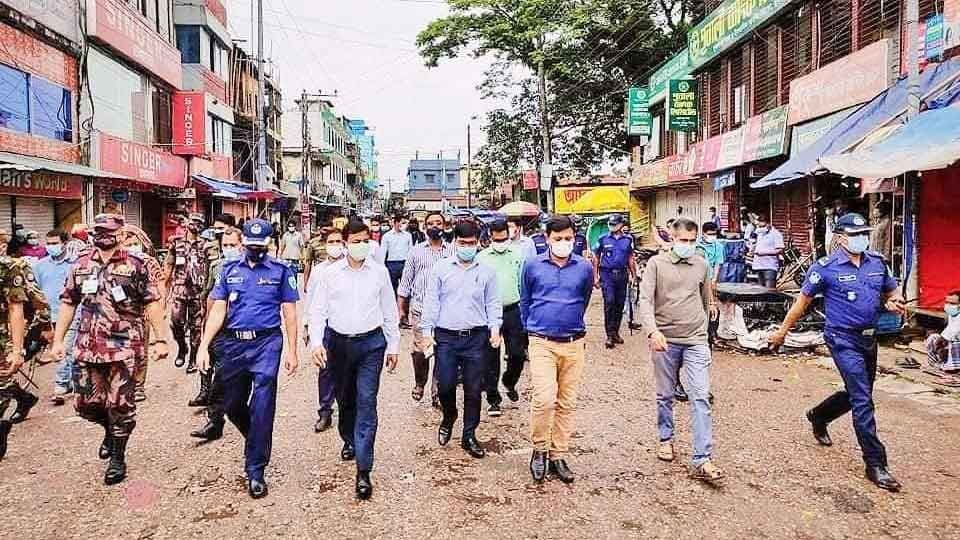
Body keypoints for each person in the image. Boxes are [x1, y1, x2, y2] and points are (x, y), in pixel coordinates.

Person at [769, 213, 906, 492]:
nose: (862, 239)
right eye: (856, 235)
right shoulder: (825, 268)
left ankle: (819, 416)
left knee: (858, 391)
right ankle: (876, 463)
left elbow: (892, 293)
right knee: (862, 398)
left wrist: (895, 302)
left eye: (864, 233)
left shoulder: (878, 264)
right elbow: (801, 303)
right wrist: (782, 331)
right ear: (841, 238)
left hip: (870, 338)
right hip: (841, 338)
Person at [51, 214, 169, 484]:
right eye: (98, 231)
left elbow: (152, 303)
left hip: (124, 348)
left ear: (121, 234)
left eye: (108, 231)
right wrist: (59, 340)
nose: (102, 236)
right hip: (87, 347)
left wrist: (161, 339)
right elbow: (69, 302)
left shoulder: (137, 265)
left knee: (121, 405)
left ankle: (118, 457)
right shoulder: (80, 264)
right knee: (85, 404)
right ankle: (109, 429)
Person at [196, 219, 300, 499]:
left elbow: (289, 312)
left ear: (270, 245)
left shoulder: (281, 271)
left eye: (260, 246)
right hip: (232, 344)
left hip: (267, 342)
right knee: (231, 404)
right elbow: (218, 309)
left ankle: (256, 469)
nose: (255, 250)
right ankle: (256, 438)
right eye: (250, 245)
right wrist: (204, 345)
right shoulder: (228, 270)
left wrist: (292, 350)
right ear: (243, 244)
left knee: (263, 403)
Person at [309, 219, 400, 500]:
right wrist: (316, 342)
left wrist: (393, 345)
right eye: (356, 240)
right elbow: (318, 310)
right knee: (346, 400)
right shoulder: (329, 274)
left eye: (365, 240)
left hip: (371, 345)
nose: (361, 245)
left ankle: (363, 469)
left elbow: (389, 309)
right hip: (339, 345)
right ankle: (348, 437)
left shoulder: (379, 273)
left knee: (366, 401)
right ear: (345, 242)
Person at [637, 218, 723, 484]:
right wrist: (652, 331)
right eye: (682, 240)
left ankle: (702, 457)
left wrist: (709, 321)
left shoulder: (701, 263)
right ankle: (666, 438)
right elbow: (645, 300)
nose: (687, 245)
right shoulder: (656, 264)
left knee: (700, 397)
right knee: (665, 395)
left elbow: (705, 296)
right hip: (665, 339)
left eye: (691, 241)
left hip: (696, 338)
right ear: (672, 239)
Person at [420, 220, 502, 459]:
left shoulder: (487, 271)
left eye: (472, 243)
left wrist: (494, 328)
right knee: (445, 384)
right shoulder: (441, 269)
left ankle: (469, 434)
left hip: (476, 337)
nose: (468, 247)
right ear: (455, 242)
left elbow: (493, 303)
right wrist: (427, 333)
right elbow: (432, 301)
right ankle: (449, 415)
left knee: (474, 388)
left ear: (479, 243)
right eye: (463, 243)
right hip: (446, 337)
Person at [521, 215, 593, 483]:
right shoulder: (532, 266)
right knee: (544, 398)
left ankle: (558, 454)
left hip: (574, 343)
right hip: (541, 341)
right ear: (546, 238)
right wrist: (532, 328)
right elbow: (525, 300)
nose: (564, 243)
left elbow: (583, 299)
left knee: (567, 401)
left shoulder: (584, 268)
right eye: (558, 238)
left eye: (568, 239)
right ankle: (539, 449)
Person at [190, 226, 243, 442]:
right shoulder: (217, 267)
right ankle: (215, 421)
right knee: (218, 376)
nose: (229, 249)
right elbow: (209, 297)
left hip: (242, 333)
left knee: (234, 381)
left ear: (243, 245)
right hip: (220, 330)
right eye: (226, 246)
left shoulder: (251, 267)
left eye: (233, 245)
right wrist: (205, 330)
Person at [397, 211, 454, 406]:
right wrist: (400, 309)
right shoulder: (416, 251)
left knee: (442, 351)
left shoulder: (452, 251)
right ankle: (420, 381)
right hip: (420, 310)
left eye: (439, 223)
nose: (435, 226)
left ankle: (437, 391)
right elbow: (405, 282)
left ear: (445, 226)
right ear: (425, 227)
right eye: (431, 223)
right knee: (421, 350)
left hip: (446, 310)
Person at [0, 249, 52, 460]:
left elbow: (17, 308)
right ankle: (25, 398)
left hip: (5, 338)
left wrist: (17, 349)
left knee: (2, 384)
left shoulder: (10, 267)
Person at [476, 219, 526, 417]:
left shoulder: (518, 254)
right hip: (489, 313)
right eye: (496, 239)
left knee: (518, 354)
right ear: (490, 238)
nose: (500, 242)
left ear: (509, 235)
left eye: (503, 238)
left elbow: (523, 282)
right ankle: (493, 398)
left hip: (513, 309)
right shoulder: (482, 258)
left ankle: (509, 381)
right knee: (491, 357)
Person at [305, 228, 346, 433]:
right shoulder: (319, 270)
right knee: (325, 369)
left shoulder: (353, 267)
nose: (335, 245)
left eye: (339, 241)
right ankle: (325, 411)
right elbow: (311, 299)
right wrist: (308, 326)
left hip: (348, 326)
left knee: (347, 370)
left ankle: (348, 411)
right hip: (326, 325)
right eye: (331, 241)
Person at [121, 225, 166, 402]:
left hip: (143, 313)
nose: (132, 247)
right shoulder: (115, 262)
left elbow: (159, 284)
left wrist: (158, 309)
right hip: (119, 314)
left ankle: (138, 386)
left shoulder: (148, 261)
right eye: (128, 243)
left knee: (140, 351)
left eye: (135, 243)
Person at [163, 212, 208, 373]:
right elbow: (169, 265)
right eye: (194, 221)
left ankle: (193, 359)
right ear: (187, 223)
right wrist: (164, 288)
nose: (196, 225)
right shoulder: (176, 243)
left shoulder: (206, 244)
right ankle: (182, 347)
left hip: (198, 292)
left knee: (196, 327)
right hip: (179, 289)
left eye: (200, 223)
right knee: (175, 322)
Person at [34, 230, 71, 398]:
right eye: (48, 243)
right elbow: (36, 291)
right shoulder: (40, 266)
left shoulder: (74, 264)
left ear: (64, 243)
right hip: (49, 315)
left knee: (66, 347)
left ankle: (61, 383)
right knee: (58, 349)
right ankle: (69, 381)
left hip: (71, 314)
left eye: (55, 243)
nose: (51, 247)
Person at [594, 214, 637, 349]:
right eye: (610, 224)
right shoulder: (602, 239)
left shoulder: (628, 240)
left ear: (621, 225)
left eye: (614, 224)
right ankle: (609, 335)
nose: (612, 226)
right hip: (607, 274)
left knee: (619, 304)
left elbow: (630, 258)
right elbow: (596, 257)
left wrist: (634, 275)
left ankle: (616, 332)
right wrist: (595, 276)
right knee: (610, 302)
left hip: (622, 274)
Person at [926, 290, 960, 372]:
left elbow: (954, 331)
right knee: (932, 338)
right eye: (947, 302)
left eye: (952, 303)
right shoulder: (952, 315)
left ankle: (953, 367)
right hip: (953, 340)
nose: (948, 305)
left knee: (952, 343)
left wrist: (942, 340)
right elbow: (949, 330)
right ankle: (936, 362)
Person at [382, 214, 413, 293]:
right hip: (392, 264)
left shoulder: (408, 235)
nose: (403, 225)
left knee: (406, 287)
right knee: (392, 287)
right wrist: (382, 267)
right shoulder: (387, 236)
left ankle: (404, 304)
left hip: (405, 263)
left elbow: (411, 251)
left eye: (404, 223)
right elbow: (383, 252)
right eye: (402, 223)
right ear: (396, 223)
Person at [751, 214, 784, 289]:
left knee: (769, 291)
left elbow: (780, 249)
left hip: (770, 266)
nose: (760, 228)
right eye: (759, 226)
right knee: (760, 291)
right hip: (758, 265)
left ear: (768, 223)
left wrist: (764, 253)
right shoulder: (759, 233)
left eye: (762, 226)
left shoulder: (776, 234)